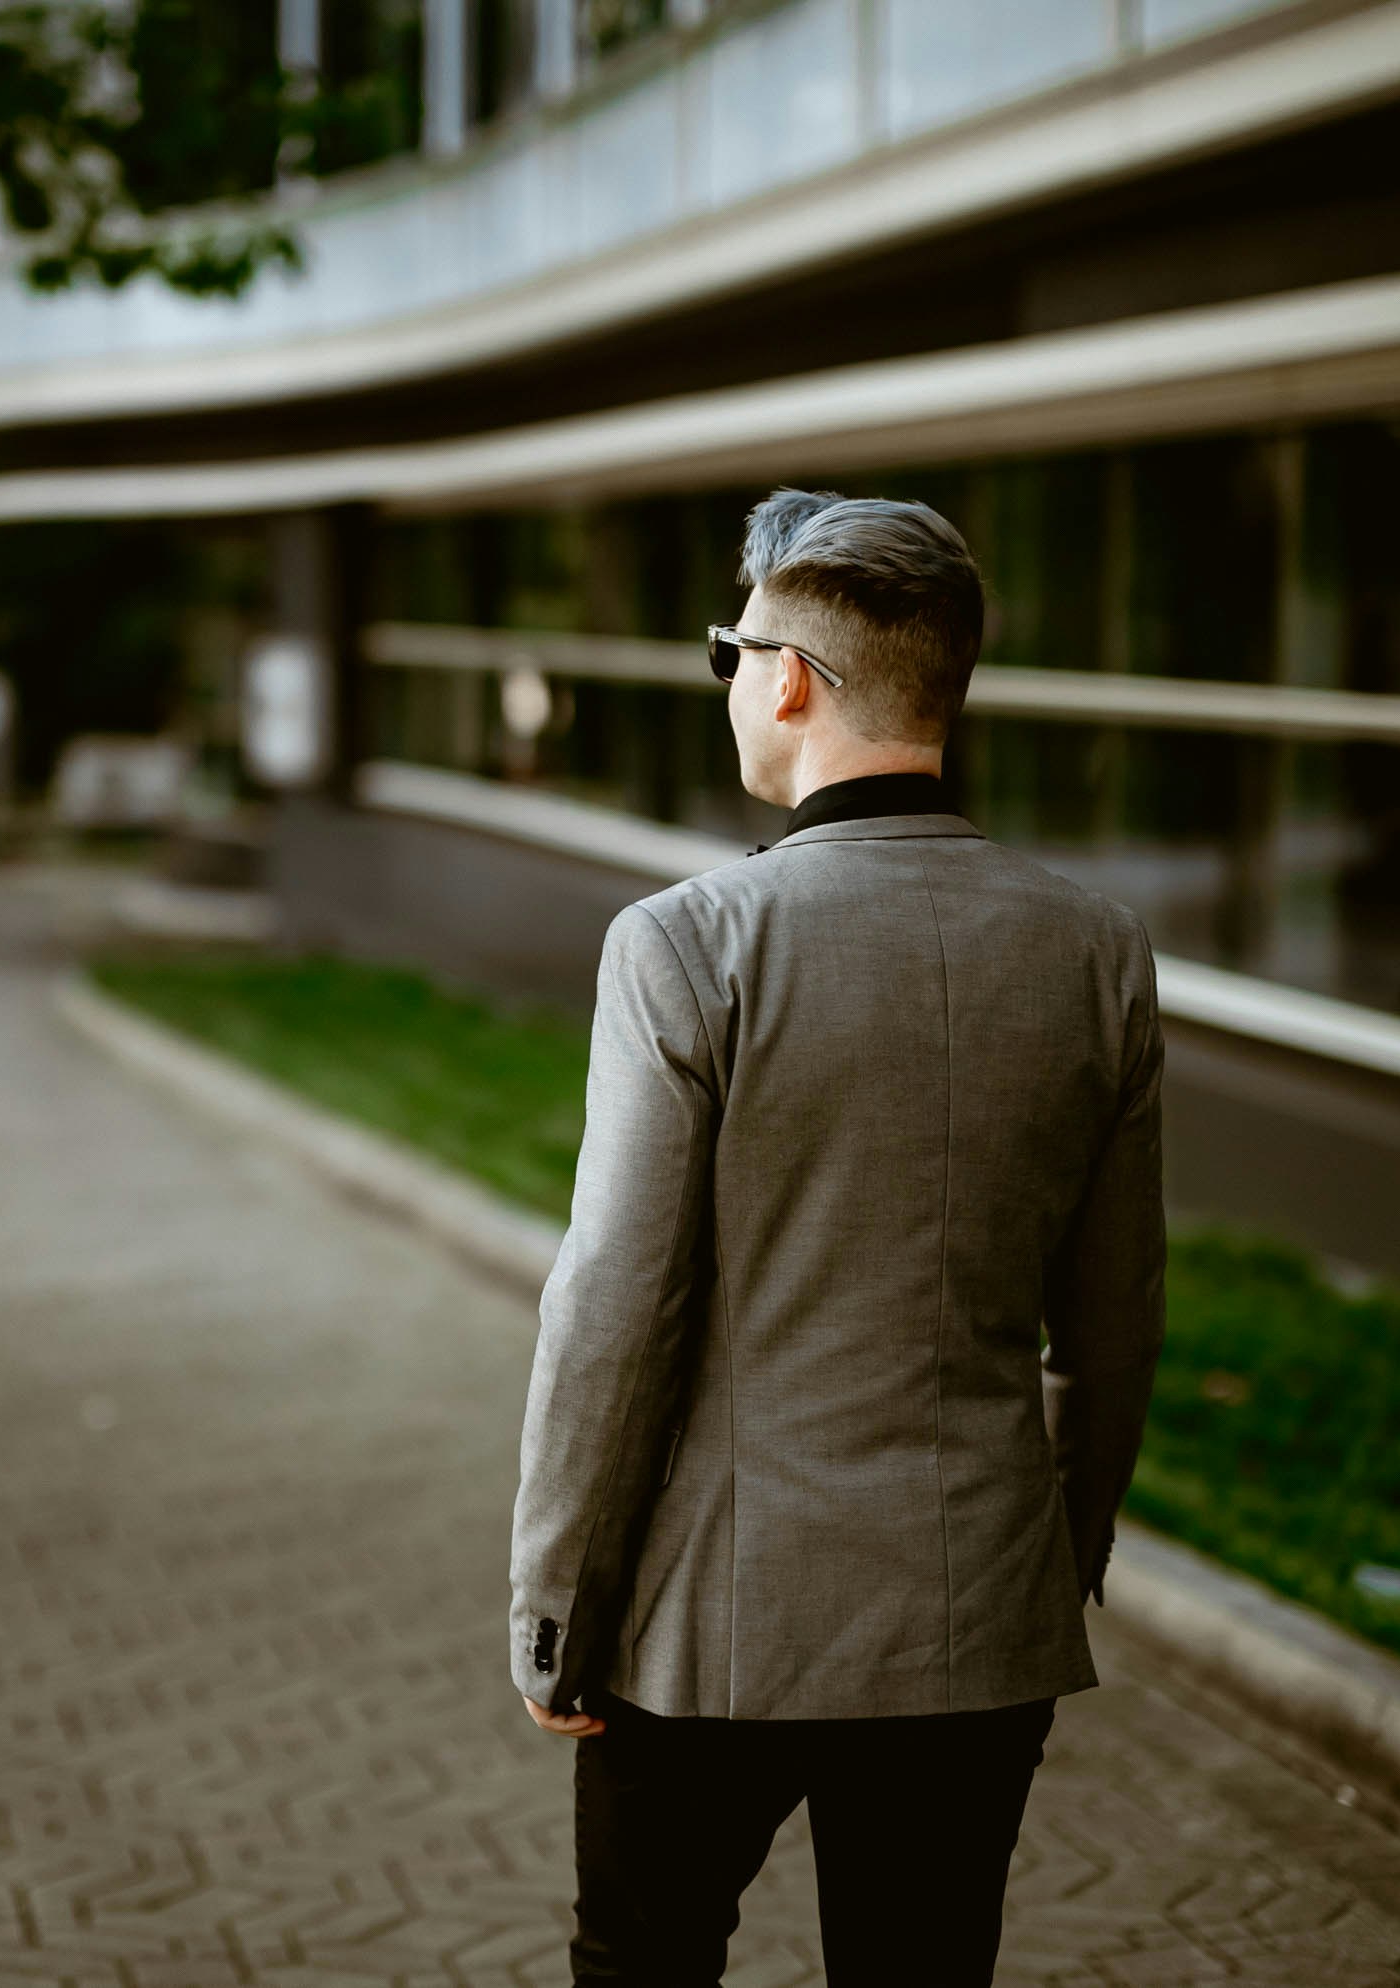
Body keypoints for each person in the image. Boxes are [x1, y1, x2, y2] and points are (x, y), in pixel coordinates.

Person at [507, 489, 1166, 1985]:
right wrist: (1051, 1556)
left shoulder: (685, 942)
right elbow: (1116, 1317)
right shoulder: (1094, 951)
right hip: (977, 1612)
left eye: (728, 654)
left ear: (788, 679)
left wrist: (557, 1603)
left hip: (706, 1622)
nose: (731, 682)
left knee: (644, 1961)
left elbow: (614, 1304)